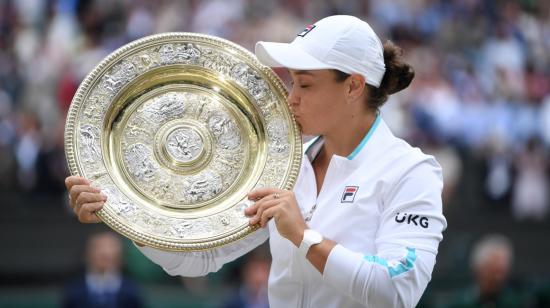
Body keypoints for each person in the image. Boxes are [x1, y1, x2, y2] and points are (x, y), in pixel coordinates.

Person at [66, 15, 447, 307]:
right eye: (293, 82)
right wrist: (121, 211)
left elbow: (396, 291)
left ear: (353, 86)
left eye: (306, 84)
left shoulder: (411, 172)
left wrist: (303, 236)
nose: (291, 97)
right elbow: (200, 259)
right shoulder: (287, 164)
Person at [62, 231, 143, 308]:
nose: (105, 252)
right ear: (87, 255)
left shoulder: (132, 291)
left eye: (108, 257)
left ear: (120, 259)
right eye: (98, 249)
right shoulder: (73, 291)